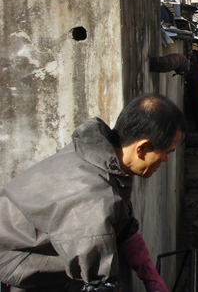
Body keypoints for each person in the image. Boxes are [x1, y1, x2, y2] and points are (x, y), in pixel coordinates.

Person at [0, 93, 186, 292]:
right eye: (167, 152)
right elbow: (100, 283)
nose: (166, 160)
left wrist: (152, 279)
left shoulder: (101, 158)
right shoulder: (92, 197)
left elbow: (123, 228)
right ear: (142, 148)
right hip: (12, 269)